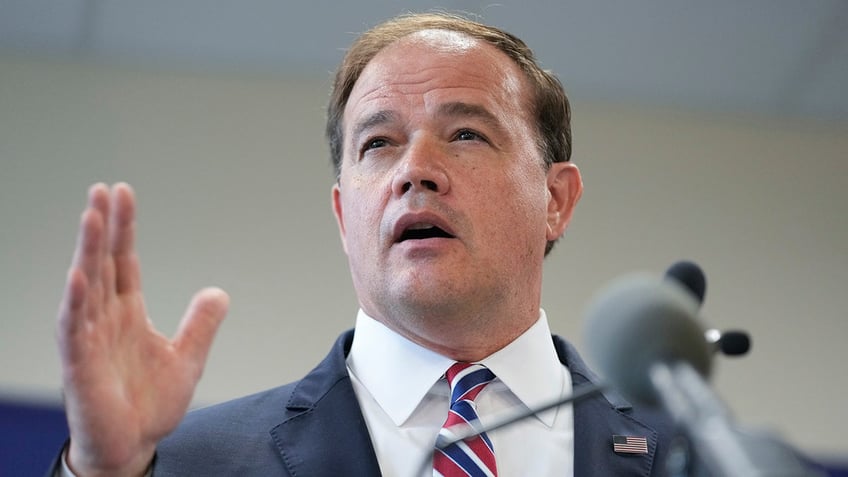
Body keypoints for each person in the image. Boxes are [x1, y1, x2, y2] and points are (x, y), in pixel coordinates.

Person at [51, 11, 676, 477]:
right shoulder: (185, 463)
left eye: (465, 134)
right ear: (345, 215)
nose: (416, 170)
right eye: (378, 144)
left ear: (555, 201)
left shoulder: (703, 458)